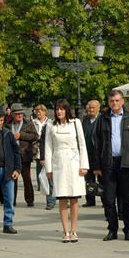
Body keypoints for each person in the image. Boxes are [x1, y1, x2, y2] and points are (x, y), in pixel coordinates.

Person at [91, 90, 129, 241]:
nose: (115, 103)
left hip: (125, 163)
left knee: (127, 199)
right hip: (108, 163)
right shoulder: (103, 119)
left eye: (117, 100)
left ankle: (128, 229)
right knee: (108, 198)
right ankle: (112, 229)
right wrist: (96, 165)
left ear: (123, 101)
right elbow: (96, 143)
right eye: (112, 101)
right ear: (108, 102)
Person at [44, 99, 89, 243]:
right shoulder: (51, 125)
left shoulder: (76, 123)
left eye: (62, 109)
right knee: (62, 198)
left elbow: (82, 144)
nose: (59, 111)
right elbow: (48, 147)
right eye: (57, 109)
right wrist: (49, 169)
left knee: (74, 198)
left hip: (74, 163)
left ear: (67, 110)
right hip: (59, 164)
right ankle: (65, 231)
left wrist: (84, 165)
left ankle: (74, 230)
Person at [7, 105, 39, 207]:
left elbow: (35, 136)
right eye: (17, 114)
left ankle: (30, 200)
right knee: (13, 178)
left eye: (21, 113)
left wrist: (21, 135)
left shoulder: (28, 123)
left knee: (27, 178)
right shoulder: (7, 124)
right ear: (12, 115)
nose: (20, 115)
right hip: (11, 155)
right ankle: (12, 200)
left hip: (25, 154)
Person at [32, 104, 56, 210]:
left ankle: (56, 199)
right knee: (44, 179)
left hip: (52, 154)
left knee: (53, 178)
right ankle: (50, 200)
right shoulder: (32, 123)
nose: (38, 113)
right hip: (38, 153)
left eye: (40, 111)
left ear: (45, 112)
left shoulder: (51, 123)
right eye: (37, 111)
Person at [81, 100, 101, 208]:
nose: (91, 110)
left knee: (102, 178)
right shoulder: (85, 120)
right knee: (88, 179)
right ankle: (90, 199)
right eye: (89, 108)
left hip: (99, 154)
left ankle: (104, 199)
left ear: (98, 108)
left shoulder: (102, 119)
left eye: (93, 108)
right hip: (87, 153)